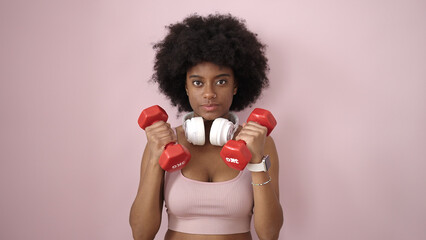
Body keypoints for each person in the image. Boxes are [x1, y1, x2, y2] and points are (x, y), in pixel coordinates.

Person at [130, 13, 283, 240]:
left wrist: (256, 161)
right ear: (185, 86)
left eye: (221, 81)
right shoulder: (164, 142)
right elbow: (141, 234)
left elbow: (269, 234)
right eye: (198, 82)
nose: (209, 93)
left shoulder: (260, 142)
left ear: (235, 85)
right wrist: (155, 159)